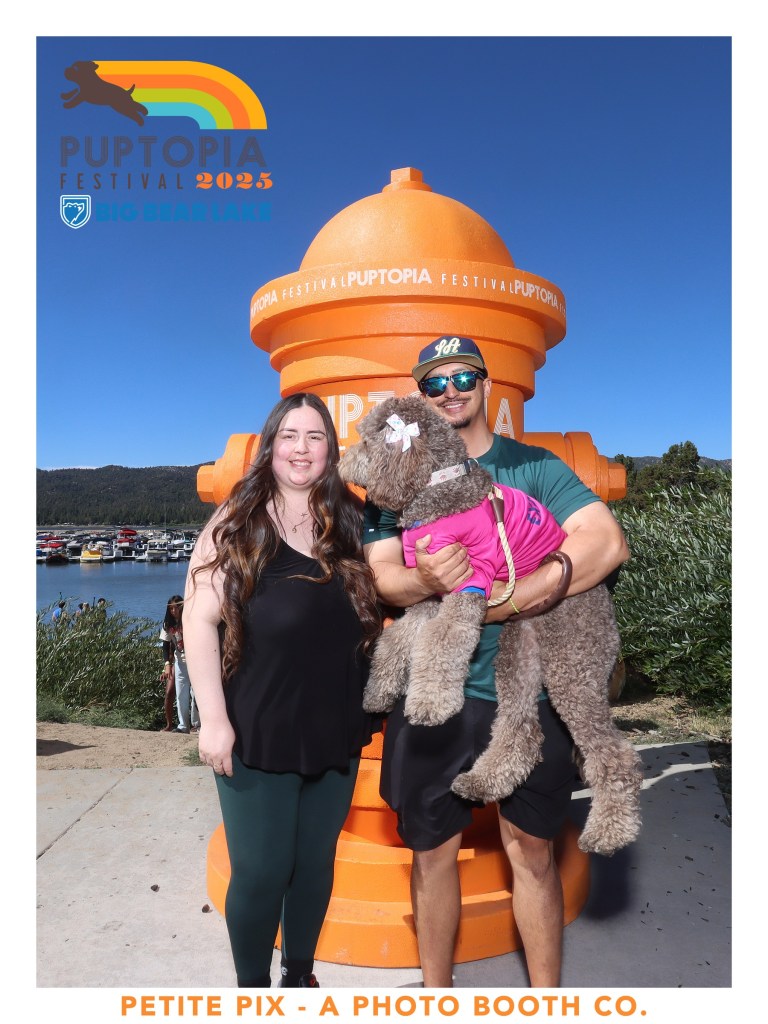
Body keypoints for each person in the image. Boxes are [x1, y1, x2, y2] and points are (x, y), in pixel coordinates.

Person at [363, 336, 630, 988]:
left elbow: (607, 542)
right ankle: (438, 997)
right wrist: (425, 579)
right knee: (432, 856)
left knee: (533, 853)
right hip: (437, 700)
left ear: (486, 384)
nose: (450, 391)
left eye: (463, 377)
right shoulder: (399, 478)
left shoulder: (534, 467)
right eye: (435, 383)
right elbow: (381, 576)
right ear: (420, 400)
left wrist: (518, 595)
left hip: (528, 695)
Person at [183, 393, 382, 989]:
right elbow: (198, 619)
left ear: (331, 450)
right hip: (257, 729)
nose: (301, 448)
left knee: (314, 865)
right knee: (262, 871)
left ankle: (299, 979)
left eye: (315, 436)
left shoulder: (351, 519)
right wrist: (213, 721)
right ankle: (253, 993)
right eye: (289, 435)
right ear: (270, 446)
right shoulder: (238, 520)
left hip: (336, 727)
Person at [160, 595, 200, 734]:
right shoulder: (168, 624)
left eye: (176, 608)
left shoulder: (190, 620)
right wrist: (167, 665)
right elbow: (165, 646)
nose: (173, 611)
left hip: (195, 661)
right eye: (171, 608)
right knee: (181, 694)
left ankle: (197, 725)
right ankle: (183, 725)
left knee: (195, 693)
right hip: (180, 663)